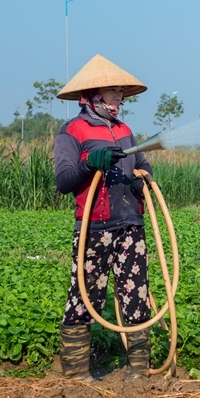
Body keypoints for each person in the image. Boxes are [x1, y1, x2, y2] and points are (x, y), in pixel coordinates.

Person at [54, 54, 154, 380]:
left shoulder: (124, 130)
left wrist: (143, 180)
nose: (119, 97)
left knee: (137, 296)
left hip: (130, 226)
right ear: (94, 95)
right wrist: (90, 163)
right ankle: (77, 376)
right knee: (84, 297)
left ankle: (138, 372)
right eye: (113, 91)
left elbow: (143, 163)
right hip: (94, 228)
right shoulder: (73, 131)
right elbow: (64, 181)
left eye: (121, 91)